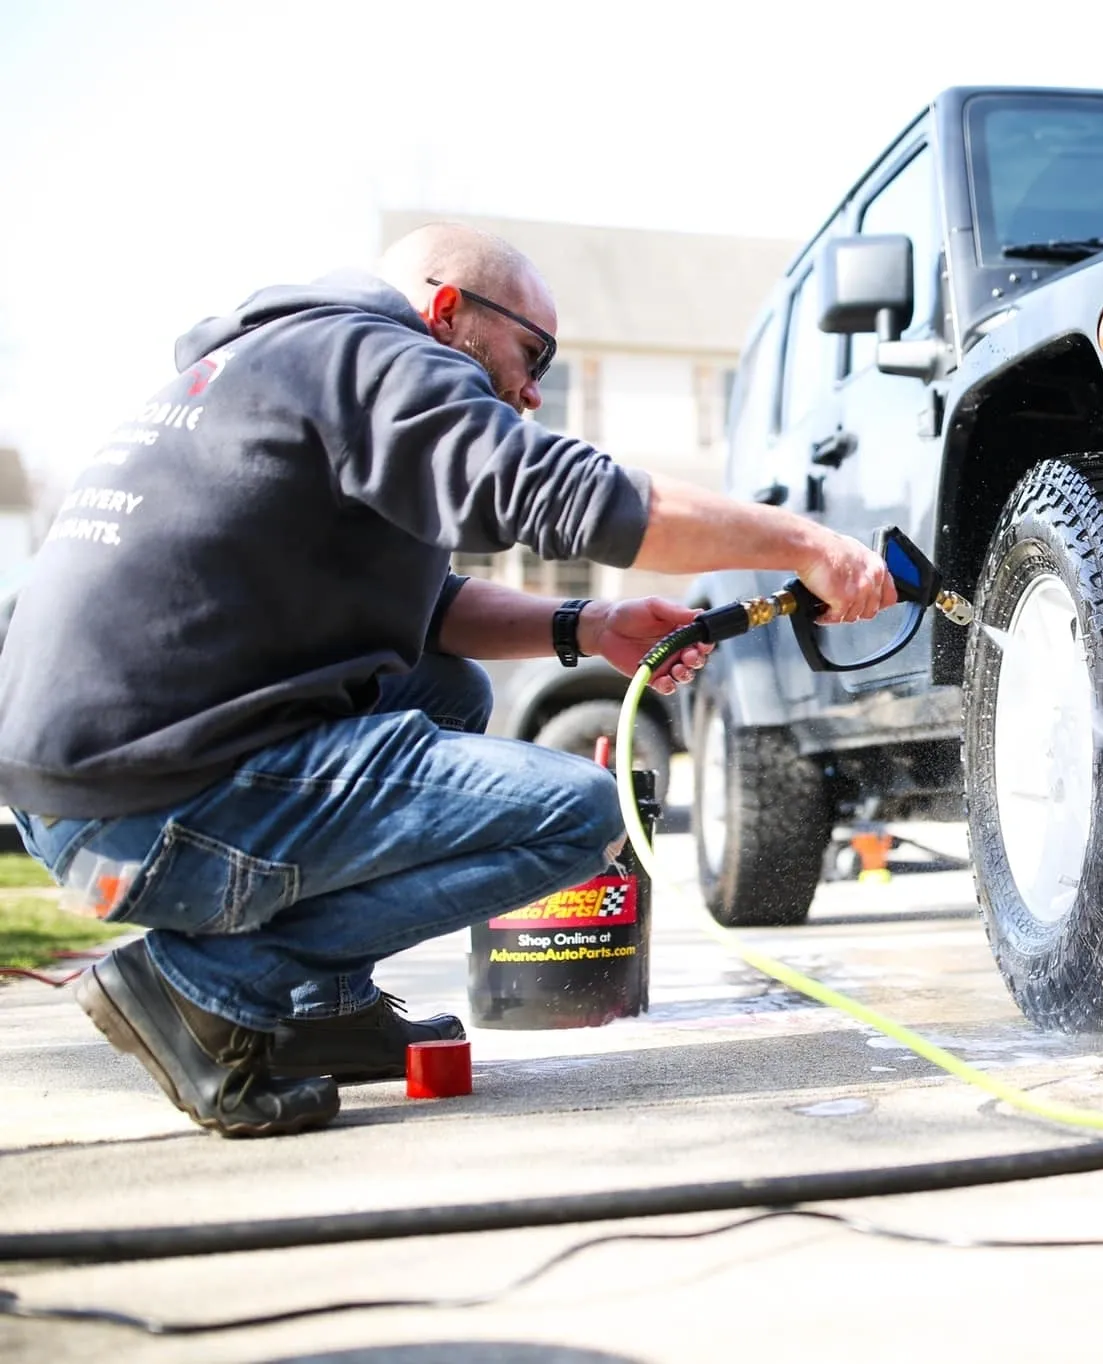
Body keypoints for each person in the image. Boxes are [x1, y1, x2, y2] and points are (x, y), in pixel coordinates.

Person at [0, 223, 895, 1138]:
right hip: (148, 809)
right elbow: (563, 495)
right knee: (584, 814)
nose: (533, 389)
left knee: (449, 690)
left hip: (82, 790)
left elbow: (424, 609)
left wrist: (587, 625)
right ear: (447, 310)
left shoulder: (275, 365)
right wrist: (805, 544)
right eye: (532, 351)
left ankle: (323, 1007)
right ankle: (213, 986)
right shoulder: (372, 355)